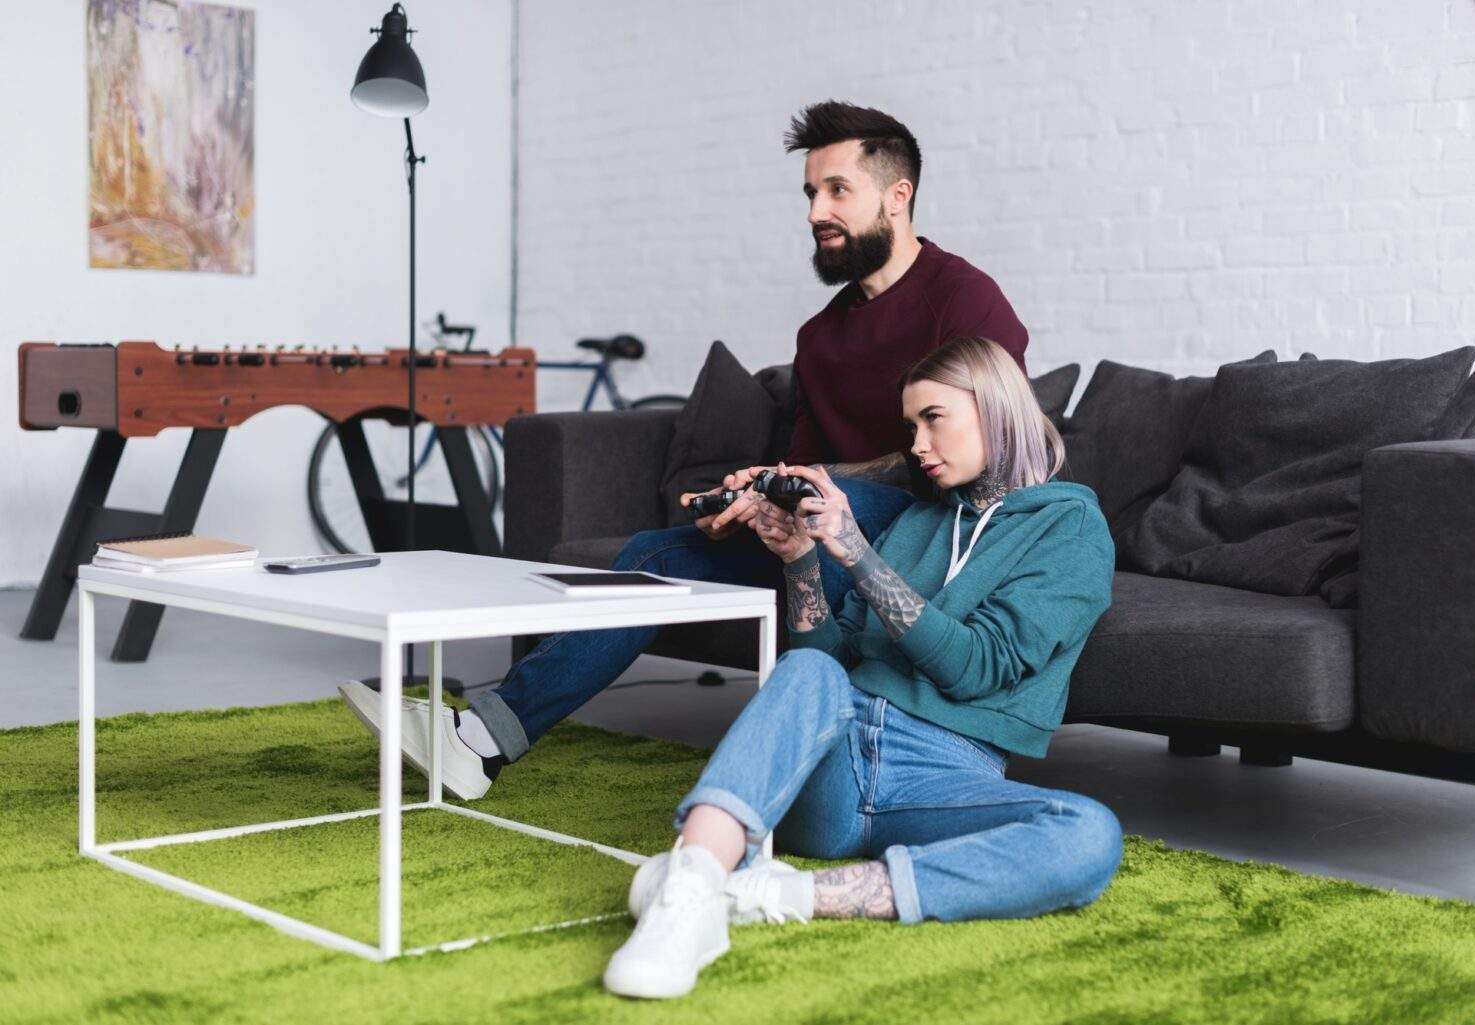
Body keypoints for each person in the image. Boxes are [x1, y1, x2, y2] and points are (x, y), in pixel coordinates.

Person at [338, 100, 1032, 800]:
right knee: (655, 555)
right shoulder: (821, 337)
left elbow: (997, 445)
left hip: (928, 539)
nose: (815, 210)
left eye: (837, 190)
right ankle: (481, 741)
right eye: (810, 192)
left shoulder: (964, 302)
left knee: (834, 501)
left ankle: (477, 738)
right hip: (823, 543)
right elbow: (805, 469)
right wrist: (758, 497)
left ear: (897, 195)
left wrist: (811, 483)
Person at [602, 337, 1121, 1000]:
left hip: (942, 779)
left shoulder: (1072, 526)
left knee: (1089, 834)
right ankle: (691, 882)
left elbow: (978, 668)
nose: (918, 443)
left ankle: (768, 894)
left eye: (935, 417)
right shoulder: (918, 522)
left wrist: (857, 554)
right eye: (911, 426)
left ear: (996, 408)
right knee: (813, 672)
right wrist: (799, 559)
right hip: (832, 776)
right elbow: (825, 659)